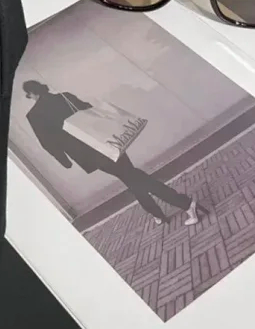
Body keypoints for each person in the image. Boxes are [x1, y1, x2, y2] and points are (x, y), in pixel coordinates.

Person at [23, 80, 202, 225]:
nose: (29, 97)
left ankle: (184, 204)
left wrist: (65, 161)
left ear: (31, 93)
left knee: (133, 178)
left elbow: (47, 142)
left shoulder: (34, 115)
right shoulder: (65, 97)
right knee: (131, 177)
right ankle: (159, 212)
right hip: (108, 142)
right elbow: (91, 112)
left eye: (28, 95)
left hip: (89, 154)